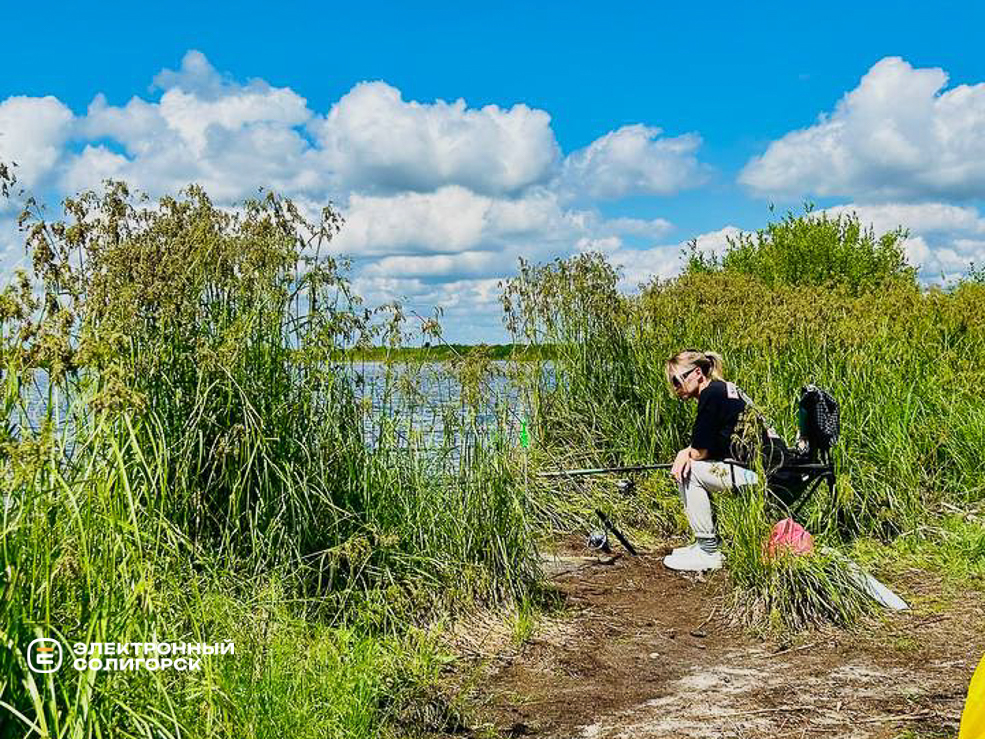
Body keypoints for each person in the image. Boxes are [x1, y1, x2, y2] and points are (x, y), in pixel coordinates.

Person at [663, 349, 767, 572]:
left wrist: (684, 453)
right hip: (763, 469)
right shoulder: (723, 389)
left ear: (697, 373)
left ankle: (708, 551)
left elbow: (699, 452)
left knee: (689, 470)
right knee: (690, 463)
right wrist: (688, 451)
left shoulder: (711, 394)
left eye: (676, 380)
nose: (675, 388)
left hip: (759, 474)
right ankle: (705, 545)